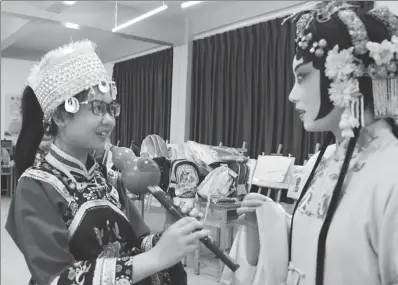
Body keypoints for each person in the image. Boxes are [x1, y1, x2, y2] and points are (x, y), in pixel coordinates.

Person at [6, 40, 209, 285]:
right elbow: (57, 278)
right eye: (97, 108)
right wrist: (156, 257)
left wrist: (169, 234)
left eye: (111, 109)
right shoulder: (35, 187)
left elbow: (138, 242)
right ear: (60, 116)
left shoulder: (107, 178)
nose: (109, 120)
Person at [230, 2, 398, 285]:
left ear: (346, 74)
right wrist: (265, 222)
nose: (292, 95)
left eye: (302, 76)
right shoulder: (324, 160)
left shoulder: (391, 174)